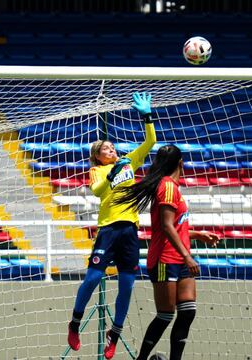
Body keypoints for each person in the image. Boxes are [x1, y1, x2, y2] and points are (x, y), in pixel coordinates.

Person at [67, 92, 156, 359]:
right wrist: (113, 174)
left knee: (127, 285)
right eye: (105, 148)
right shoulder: (99, 171)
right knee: (93, 277)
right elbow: (97, 192)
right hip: (108, 229)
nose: (111, 149)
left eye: (112, 147)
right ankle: (74, 323)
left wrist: (146, 116)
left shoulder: (129, 161)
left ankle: (114, 335)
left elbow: (151, 141)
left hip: (129, 229)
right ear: (97, 156)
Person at [115, 144, 220, 360]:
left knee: (188, 311)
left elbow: (174, 226)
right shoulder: (168, 187)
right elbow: (166, 226)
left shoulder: (171, 187)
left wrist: (197, 235)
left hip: (178, 257)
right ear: (181, 163)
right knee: (166, 314)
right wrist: (187, 256)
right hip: (165, 259)